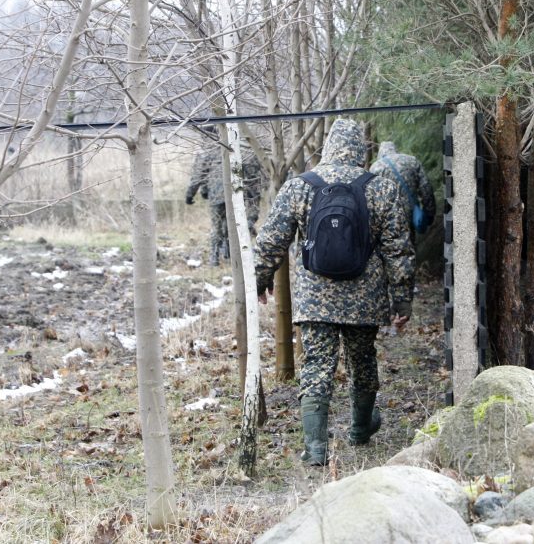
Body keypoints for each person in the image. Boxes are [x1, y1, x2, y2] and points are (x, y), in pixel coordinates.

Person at [254, 118, 415, 466]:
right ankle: (360, 429)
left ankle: (315, 448)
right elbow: (398, 249)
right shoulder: (381, 188)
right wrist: (402, 297)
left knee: (317, 366)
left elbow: (271, 240)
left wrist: (261, 278)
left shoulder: (300, 186)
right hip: (365, 297)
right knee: (362, 360)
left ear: (327, 146)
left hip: (315, 298)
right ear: (360, 150)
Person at [185, 141, 263, 266]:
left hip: (217, 194)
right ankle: (230, 256)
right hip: (237, 193)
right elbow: (254, 176)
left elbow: (199, 174)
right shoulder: (242, 149)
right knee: (234, 224)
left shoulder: (211, 150)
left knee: (217, 227)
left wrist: (190, 194)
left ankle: (214, 258)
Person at [370, 141, 436, 241]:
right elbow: (426, 188)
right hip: (411, 214)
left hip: (388, 220)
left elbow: (371, 199)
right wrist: (430, 214)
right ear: (395, 149)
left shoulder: (375, 168)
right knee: (410, 243)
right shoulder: (411, 161)